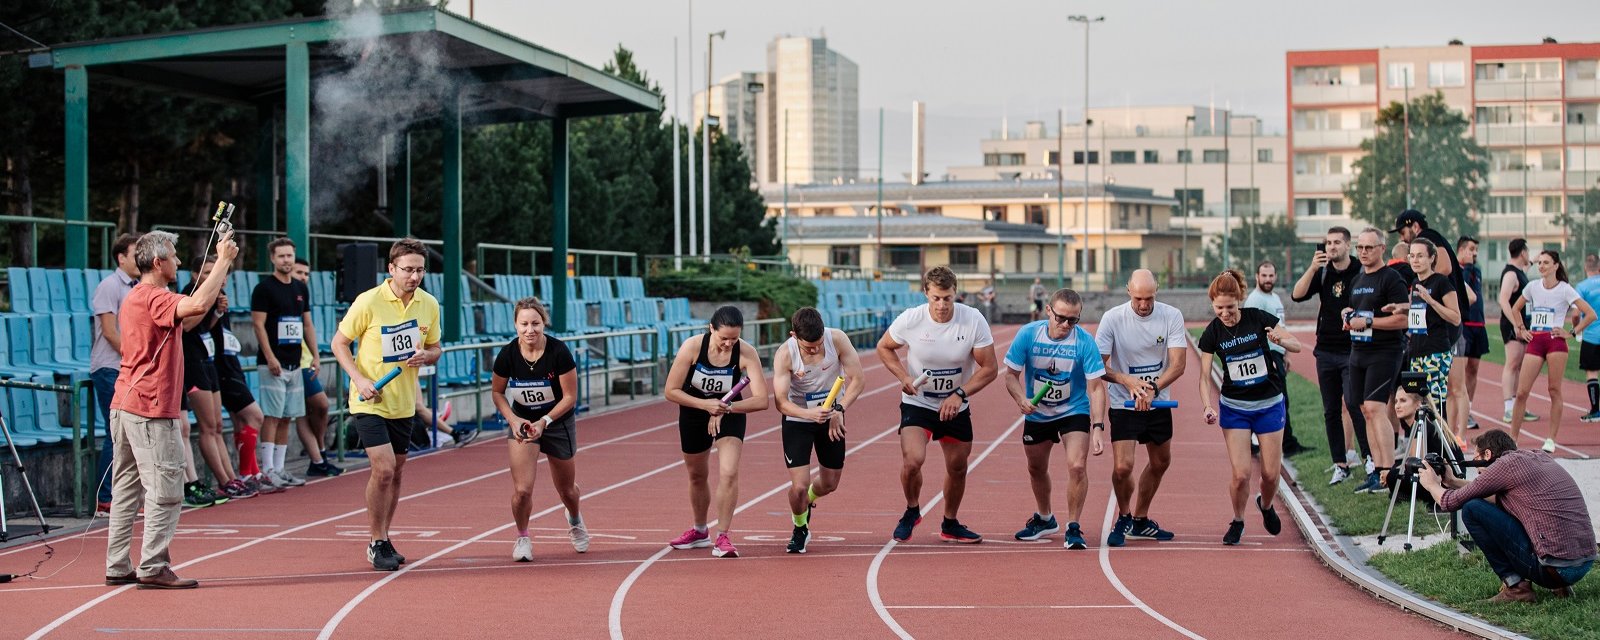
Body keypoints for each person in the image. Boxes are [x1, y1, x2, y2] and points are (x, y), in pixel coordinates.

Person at [105, 228, 237, 590]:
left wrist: (210, 288)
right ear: (159, 262)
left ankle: (118, 565)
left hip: (128, 403)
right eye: (175, 258)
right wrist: (223, 261)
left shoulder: (143, 296)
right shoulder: (152, 296)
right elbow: (192, 306)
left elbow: (189, 317)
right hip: (150, 407)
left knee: (128, 490)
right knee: (166, 489)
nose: (179, 262)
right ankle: (153, 565)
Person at [331, 237, 443, 571]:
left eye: (420, 270)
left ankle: (385, 536)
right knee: (383, 469)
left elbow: (437, 347)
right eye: (408, 269)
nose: (414, 276)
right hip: (370, 399)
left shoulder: (429, 304)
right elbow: (339, 343)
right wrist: (359, 380)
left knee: (396, 473)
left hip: (404, 403)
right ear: (391, 268)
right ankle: (376, 539)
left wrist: (427, 355)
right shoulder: (368, 302)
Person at [878, 265, 998, 544]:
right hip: (918, 401)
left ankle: (950, 522)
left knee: (957, 467)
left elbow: (989, 368)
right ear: (926, 295)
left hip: (956, 405)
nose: (942, 305)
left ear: (956, 294)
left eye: (948, 298)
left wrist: (960, 394)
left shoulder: (973, 320)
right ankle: (911, 510)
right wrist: (903, 376)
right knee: (912, 461)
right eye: (936, 298)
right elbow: (884, 347)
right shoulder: (911, 320)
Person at [1417, 429, 1594, 603]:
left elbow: (1449, 502)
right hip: (1583, 564)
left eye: (1476, 460)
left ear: (1487, 454)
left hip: (1556, 570)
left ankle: (1516, 587)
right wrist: (1453, 482)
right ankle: (1560, 586)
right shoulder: (1537, 457)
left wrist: (1432, 484)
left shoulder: (1504, 465)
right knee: (1516, 508)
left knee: (1472, 508)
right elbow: (1491, 495)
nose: (1477, 473)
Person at [1197, 270, 1303, 545]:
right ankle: (1238, 519)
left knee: (1270, 473)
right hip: (1235, 408)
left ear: (1239, 300)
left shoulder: (1257, 317)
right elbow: (1204, 375)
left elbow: (1297, 345)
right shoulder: (1213, 332)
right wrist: (1208, 405)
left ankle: (1265, 505)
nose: (1225, 313)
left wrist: (1281, 341)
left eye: (1230, 307)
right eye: (1219, 308)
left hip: (1269, 404)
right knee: (1241, 473)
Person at [663, 306, 771, 558]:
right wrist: (706, 405)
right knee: (697, 474)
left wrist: (725, 408)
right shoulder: (692, 347)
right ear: (711, 328)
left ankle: (723, 535)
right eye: (723, 338)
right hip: (694, 410)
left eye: (734, 339)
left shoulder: (745, 352)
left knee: (729, 471)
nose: (728, 344)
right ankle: (700, 530)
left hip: (729, 412)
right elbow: (671, 391)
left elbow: (761, 400)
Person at [1003, 288, 1107, 549]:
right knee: (1036, 467)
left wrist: (1097, 427)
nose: (1065, 325)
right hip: (1038, 413)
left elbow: (1095, 388)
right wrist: (1021, 400)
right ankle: (1045, 518)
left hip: (1074, 411)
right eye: (1060, 318)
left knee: (1077, 466)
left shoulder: (1084, 342)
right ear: (1048, 310)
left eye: (1073, 320)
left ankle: (1074, 527)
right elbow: (1010, 376)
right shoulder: (1029, 334)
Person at [491, 297, 588, 562]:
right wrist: (512, 419)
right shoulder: (508, 354)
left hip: (556, 422)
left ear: (544, 323)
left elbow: (570, 397)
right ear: (515, 325)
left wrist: (544, 421)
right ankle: (522, 537)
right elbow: (497, 392)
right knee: (522, 490)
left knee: (566, 489)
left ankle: (575, 519)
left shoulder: (559, 352)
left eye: (535, 323)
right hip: (522, 422)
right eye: (524, 324)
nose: (529, 330)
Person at [1097, 269, 1188, 545]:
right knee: (1123, 467)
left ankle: (1140, 519)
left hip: (1157, 401)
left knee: (1161, 461)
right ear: (1128, 292)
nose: (1144, 304)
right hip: (1123, 403)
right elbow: (1099, 366)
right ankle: (1124, 515)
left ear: (1157, 291)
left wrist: (1152, 388)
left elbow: (1178, 364)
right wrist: (1127, 381)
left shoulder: (1171, 316)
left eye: (1149, 298)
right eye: (1138, 298)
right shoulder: (1112, 318)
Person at [771, 307, 867, 554]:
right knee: (799, 487)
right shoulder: (785, 354)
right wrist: (808, 414)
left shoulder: (837, 339)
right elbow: (781, 401)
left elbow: (858, 379)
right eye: (808, 347)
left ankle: (809, 500)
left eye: (818, 345)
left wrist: (839, 409)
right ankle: (800, 528)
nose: (814, 350)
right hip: (798, 419)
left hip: (832, 416)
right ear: (794, 336)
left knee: (830, 483)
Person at [1292, 226, 1372, 485]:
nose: (1332, 247)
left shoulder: (1359, 270)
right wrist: (1313, 268)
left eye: (1337, 242)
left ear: (1348, 245)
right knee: (1330, 410)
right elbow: (1297, 294)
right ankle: (1340, 463)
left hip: (1353, 348)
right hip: (1325, 349)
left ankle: (1369, 458)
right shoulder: (1323, 271)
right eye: (1328, 243)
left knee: (1353, 402)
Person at [1342, 227, 1410, 493]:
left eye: (1369, 248)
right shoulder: (1358, 280)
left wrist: (1368, 321)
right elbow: (1358, 313)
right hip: (1358, 351)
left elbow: (1402, 319)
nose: (1363, 252)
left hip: (1385, 352)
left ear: (1382, 248)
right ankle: (1378, 472)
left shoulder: (1391, 279)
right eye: (1359, 248)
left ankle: (1388, 472)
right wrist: (1349, 316)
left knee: (1376, 408)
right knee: (1364, 410)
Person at [1506, 250, 1594, 452]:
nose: (1542, 266)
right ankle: (1513, 438)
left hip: (1555, 342)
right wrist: (1520, 329)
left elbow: (1590, 314)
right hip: (1536, 340)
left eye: (1546, 263)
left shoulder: (1565, 289)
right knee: (1521, 392)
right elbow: (1515, 308)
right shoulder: (1532, 287)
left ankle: (1550, 440)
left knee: (1554, 390)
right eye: (1540, 263)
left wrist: (1571, 332)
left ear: (1556, 266)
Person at [250, 237, 319, 487]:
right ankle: (267, 468)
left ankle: (280, 468)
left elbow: (307, 324)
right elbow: (258, 325)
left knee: (287, 416)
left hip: (295, 363)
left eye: (290, 256)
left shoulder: (301, 289)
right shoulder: (264, 289)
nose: (286, 260)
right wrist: (270, 357)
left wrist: (315, 354)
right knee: (272, 415)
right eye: (281, 256)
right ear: (272, 258)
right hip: (273, 363)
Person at [182, 258, 252, 502]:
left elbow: (205, 328)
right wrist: (211, 302)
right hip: (192, 364)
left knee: (219, 426)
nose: (214, 277)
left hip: (208, 361)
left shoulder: (215, 294)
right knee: (208, 426)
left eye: (217, 272)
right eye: (207, 272)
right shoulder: (189, 294)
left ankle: (230, 478)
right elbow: (187, 326)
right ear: (194, 275)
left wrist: (218, 312)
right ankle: (223, 481)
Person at [90, 233, 141, 515]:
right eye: (136, 254)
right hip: (111, 367)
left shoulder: (139, 287)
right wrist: (137, 359)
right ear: (121, 257)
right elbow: (110, 333)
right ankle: (105, 498)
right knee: (116, 434)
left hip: (131, 367)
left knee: (132, 434)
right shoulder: (109, 286)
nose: (140, 259)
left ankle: (125, 496)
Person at [1390, 238, 1461, 411]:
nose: (1415, 260)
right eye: (1412, 256)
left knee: (1434, 407)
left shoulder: (1441, 282)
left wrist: (1432, 301)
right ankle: (1421, 439)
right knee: (1417, 406)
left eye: (1420, 256)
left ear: (1431, 258)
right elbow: (1420, 311)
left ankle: (1438, 438)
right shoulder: (1416, 283)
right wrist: (1402, 308)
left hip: (1436, 353)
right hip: (1416, 352)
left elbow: (1456, 317)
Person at [212, 302, 276, 495]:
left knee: (241, 423)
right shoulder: (198, 296)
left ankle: (253, 472)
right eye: (206, 273)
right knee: (256, 416)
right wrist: (215, 312)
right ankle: (245, 474)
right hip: (220, 369)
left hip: (231, 365)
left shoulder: (221, 300)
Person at [1244, 260, 1303, 455]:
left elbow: (1281, 328)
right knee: (1276, 400)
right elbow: (1252, 333)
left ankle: (1286, 442)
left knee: (1280, 399)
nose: (1268, 279)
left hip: (1277, 352)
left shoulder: (1274, 297)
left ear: (1275, 277)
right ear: (1257, 277)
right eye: (1264, 276)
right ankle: (1282, 444)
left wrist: (1284, 354)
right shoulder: (1255, 300)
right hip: (1266, 355)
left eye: (1271, 276)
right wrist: (1267, 361)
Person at [289, 258, 340, 476]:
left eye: (306, 273)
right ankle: (318, 456)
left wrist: (316, 356)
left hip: (305, 360)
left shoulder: (302, 295)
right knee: (315, 406)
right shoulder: (278, 292)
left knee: (315, 409)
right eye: (298, 272)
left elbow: (307, 326)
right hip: (292, 363)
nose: (303, 277)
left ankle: (318, 456)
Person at [1450, 236, 1488, 438]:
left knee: (1474, 368)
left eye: (1476, 250)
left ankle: (1469, 410)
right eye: (1471, 249)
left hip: (1478, 324)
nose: (1474, 253)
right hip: (1463, 326)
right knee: (1460, 373)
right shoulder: (1454, 270)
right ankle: (1457, 415)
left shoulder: (1476, 270)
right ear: (1461, 249)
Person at [1498, 239, 1537, 423]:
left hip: (1522, 324)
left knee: (1520, 365)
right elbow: (1503, 299)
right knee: (1512, 364)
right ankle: (1508, 408)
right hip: (1513, 324)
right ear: (1523, 252)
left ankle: (1518, 405)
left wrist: (1535, 261)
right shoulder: (1511, 274)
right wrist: (1515, 322)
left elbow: (1528, 265)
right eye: (1527, 252)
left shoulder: (1521, 272)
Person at [1573, 254, 1600, 423]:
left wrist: (1577, 329)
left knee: (1592, 373)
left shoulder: (1581, 286)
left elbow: (1576, 314)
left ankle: (1596, 410)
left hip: (1591, 335)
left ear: (1585, 268)